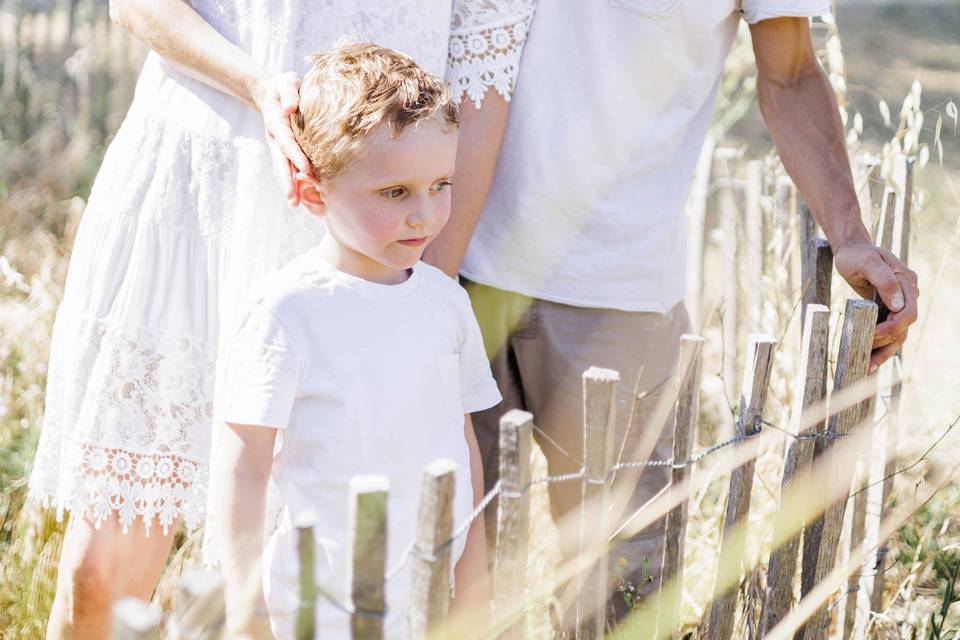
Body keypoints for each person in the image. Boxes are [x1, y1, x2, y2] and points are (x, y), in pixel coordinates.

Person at [28, 0, 534, 636]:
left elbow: (481, 93)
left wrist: (416, 292)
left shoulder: (423, 274)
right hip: (192, 198)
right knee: (101, 575)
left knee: (319, 591)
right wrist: (256, 84)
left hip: (368, 216)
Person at [424, 0, 920, 627]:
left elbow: (790, 73)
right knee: (444, 573)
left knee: (615, 594)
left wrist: (848, 232)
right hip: (444, 265)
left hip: (619, 300)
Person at [212, 43, 501, 639]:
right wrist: (248, 611)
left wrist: (474, 587)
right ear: (316, 192)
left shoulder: (446, 303)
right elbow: (243, 471)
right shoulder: (288, 311)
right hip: (316, 610)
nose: (424, 215)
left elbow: (464, 443)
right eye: (394, 193)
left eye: (440, 184)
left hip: (425, 603)